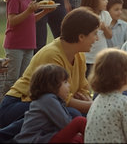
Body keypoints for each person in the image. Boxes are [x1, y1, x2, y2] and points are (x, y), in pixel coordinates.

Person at [0, 8, 98, 138]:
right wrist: (92, 105)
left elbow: (83, 89)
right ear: (81, 37)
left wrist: (88, 104)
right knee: (74, 114)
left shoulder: (79, 55)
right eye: (95, 34)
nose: (96, 39)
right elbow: (56, 99)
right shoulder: (52, 54)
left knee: (84, 114)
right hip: (18, 104)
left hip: (52, 104)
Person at [2, 0, 54, 98]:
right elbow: (12, 21)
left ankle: (19, 101)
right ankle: (5, 103)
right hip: (15, 45)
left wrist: (44, 13)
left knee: (24, 78)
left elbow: (29, 20)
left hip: (28, 45)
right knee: (12, 78)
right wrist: (29, 11)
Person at [14, 64, 86, 143]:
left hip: (45, 138)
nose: (69, 85)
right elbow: (65, 124)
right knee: (80, 121)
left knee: (78, 139)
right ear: (52, 85)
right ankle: (98, 136)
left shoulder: (49, 99)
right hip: (36, 140)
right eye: (65, 82)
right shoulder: (48, 99)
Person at [80, 0, 112, 75]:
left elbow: (109, 36)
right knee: (85, 82)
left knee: (100, 82)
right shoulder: (83, 15)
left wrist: (105, 28)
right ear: (93, 0)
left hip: (100, 55)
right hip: (85, 56)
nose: (107, 1)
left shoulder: (105, 15)